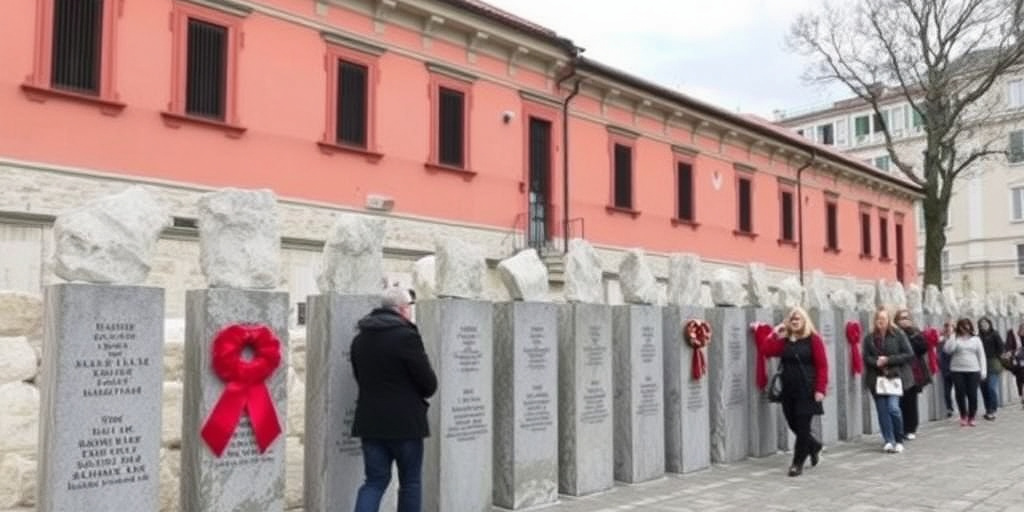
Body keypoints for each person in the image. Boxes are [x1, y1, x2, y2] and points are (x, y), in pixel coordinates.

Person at [351, 287, 438, 512]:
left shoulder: (360, 339)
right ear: (402, 309)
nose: (410, 311)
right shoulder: (407, 337)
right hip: (405, 423)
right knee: (410, 482)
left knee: (374, 482)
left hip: (370, 421)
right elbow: (428, 383)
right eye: (410, 306)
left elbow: (361, 379)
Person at [753, 306, 828, 477]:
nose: (795, 322)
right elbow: (766, 350)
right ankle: (814, 446)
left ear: (804, 321)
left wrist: (820, 389)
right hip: (788, 390)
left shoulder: (814, 340)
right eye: (792, 319)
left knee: (802, 427)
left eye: (798, 319)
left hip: (807, 390)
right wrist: (774, 332)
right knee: (793, 423)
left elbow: (822, 366)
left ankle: (797, 463)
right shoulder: (786, 340)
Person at [862, 307, 915, 453]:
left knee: (893, 408)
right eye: (878, 319)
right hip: (877, 378)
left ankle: (898, 439)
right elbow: (866, 357)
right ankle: (888, 440)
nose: (881, 321)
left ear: (888, 320)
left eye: (883, 319)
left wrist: (888, 360)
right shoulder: (870, 338)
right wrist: (876, 362)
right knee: (882, 410)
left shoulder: (898, 334)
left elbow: (909, 354)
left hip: (895, 377)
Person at [894, 309, 931, 439]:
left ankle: (911, 428)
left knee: (910, 401)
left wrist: (910, 332)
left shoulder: (915, 333)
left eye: (906, 318)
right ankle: (900, 428)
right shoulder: (894, 333)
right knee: (898, 402)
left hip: (914, 370)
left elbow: (922, 348)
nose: (904, 321)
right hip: (899, 370)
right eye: (901, 318)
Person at [943, 318, 986, 427]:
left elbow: (981, 356)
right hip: (957, 370)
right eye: (962, 326)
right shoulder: (955, 338)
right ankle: (963, 415)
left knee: (972, 394)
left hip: (973, 370)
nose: (965, 328)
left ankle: (972, 416)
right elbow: (947, 350)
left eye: (967, 326)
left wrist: (983, 371)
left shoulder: (976, 340)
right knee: (960, 393)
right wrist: (952, 335)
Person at [976, 317, 1004, 420]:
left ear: (989, 323)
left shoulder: (995, 334)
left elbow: (1001, 348)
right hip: (981, 365)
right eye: (981, 323)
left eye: (985, 323)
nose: (984, 325)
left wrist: (997, 356)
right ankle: (988, 409)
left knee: (991, 387)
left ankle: (993, 408)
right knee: (984, 388)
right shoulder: (978, 337)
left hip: (993, 363)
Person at [1007, 323, 1024, 409]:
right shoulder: (1013, 334)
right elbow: (1009, 347)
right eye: (1022, 329)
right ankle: (1022, 397)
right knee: (1020, 378)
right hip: (1018, 362)